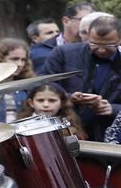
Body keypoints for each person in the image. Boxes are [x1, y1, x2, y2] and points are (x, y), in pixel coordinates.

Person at [42, 13, 121, 141]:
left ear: (119, 40)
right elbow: (44, 86)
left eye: (108, 45)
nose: (101, 50)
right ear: (87, 36)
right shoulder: (63, 54)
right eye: (95, 44)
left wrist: (112, 108)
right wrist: (68, 97)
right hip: (66, 131)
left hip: (111, 134)